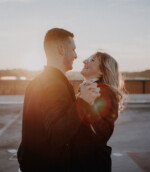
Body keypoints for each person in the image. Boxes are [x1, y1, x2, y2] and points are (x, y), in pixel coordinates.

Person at [17, 28, 100, 172]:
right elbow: (57, 135)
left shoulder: (36, 82)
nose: (76, 55)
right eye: (73, 49)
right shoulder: (54, 84)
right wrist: (83, 102)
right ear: (61, 49)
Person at [70, 52, 124, 172]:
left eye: (92, 60)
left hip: (91, 164)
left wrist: (87, 104)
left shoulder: (103, 92)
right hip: (82, 161)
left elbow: (103, 133)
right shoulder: (88, 88)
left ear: (102, 71)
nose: (84, 61)